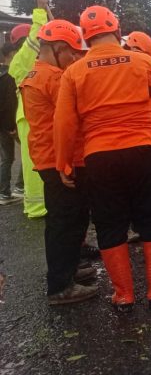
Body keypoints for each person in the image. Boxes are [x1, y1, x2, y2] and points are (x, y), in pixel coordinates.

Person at [54, 5, 151, 311]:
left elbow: (65, 123)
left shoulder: (74, 72)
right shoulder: (145, 62)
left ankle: (123, 294)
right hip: (145, 150)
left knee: (110, 222)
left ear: (85, 37)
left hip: (99, 156)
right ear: (118, 31)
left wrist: (63, 163)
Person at [20, 19, 98, 305]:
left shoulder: (36, 73)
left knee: (69, 219)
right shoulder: (53, 78)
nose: (74, 59)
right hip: (59, 160)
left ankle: (69, 269)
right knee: (65, 222)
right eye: (72, 53)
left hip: (50, 158)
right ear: (58, 48)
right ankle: (61, 285)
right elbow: (71, 120)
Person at [9, 0, 50, 218]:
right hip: (30, 117)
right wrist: (40, 14)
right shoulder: (22, 61)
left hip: (33, 116)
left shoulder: (29, 62)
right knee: (34, 165)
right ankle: (36, 207)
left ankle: (41, 204)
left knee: (39, 162)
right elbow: (34, 41)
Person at [0, 41, 22, 205]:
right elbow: (9, 103)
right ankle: (14, 189)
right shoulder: (10, 75)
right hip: (9, 124)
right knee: (15, 157)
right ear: (12, 54)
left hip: (2, 124)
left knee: (7, 158)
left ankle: (6, 192)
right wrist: (11, 127)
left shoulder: (2, 74)